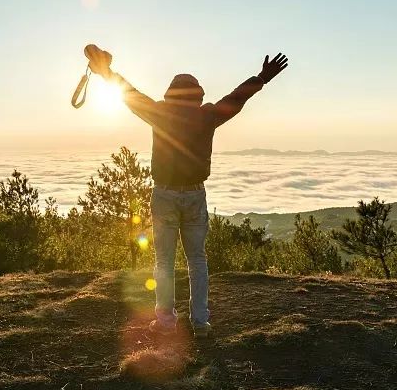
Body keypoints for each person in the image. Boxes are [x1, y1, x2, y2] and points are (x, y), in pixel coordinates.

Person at [86, 45, 289, 337]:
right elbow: (236, 98)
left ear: (169, 95)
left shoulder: (158, 112)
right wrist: (262, 77)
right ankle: (201, 322)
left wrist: (106, 72)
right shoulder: (207, 115)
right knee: (198, 260)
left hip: (164, 194)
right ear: (200, 96)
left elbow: (129, 93)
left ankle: (166, 322)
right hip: (195, 194)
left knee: (164, 261)